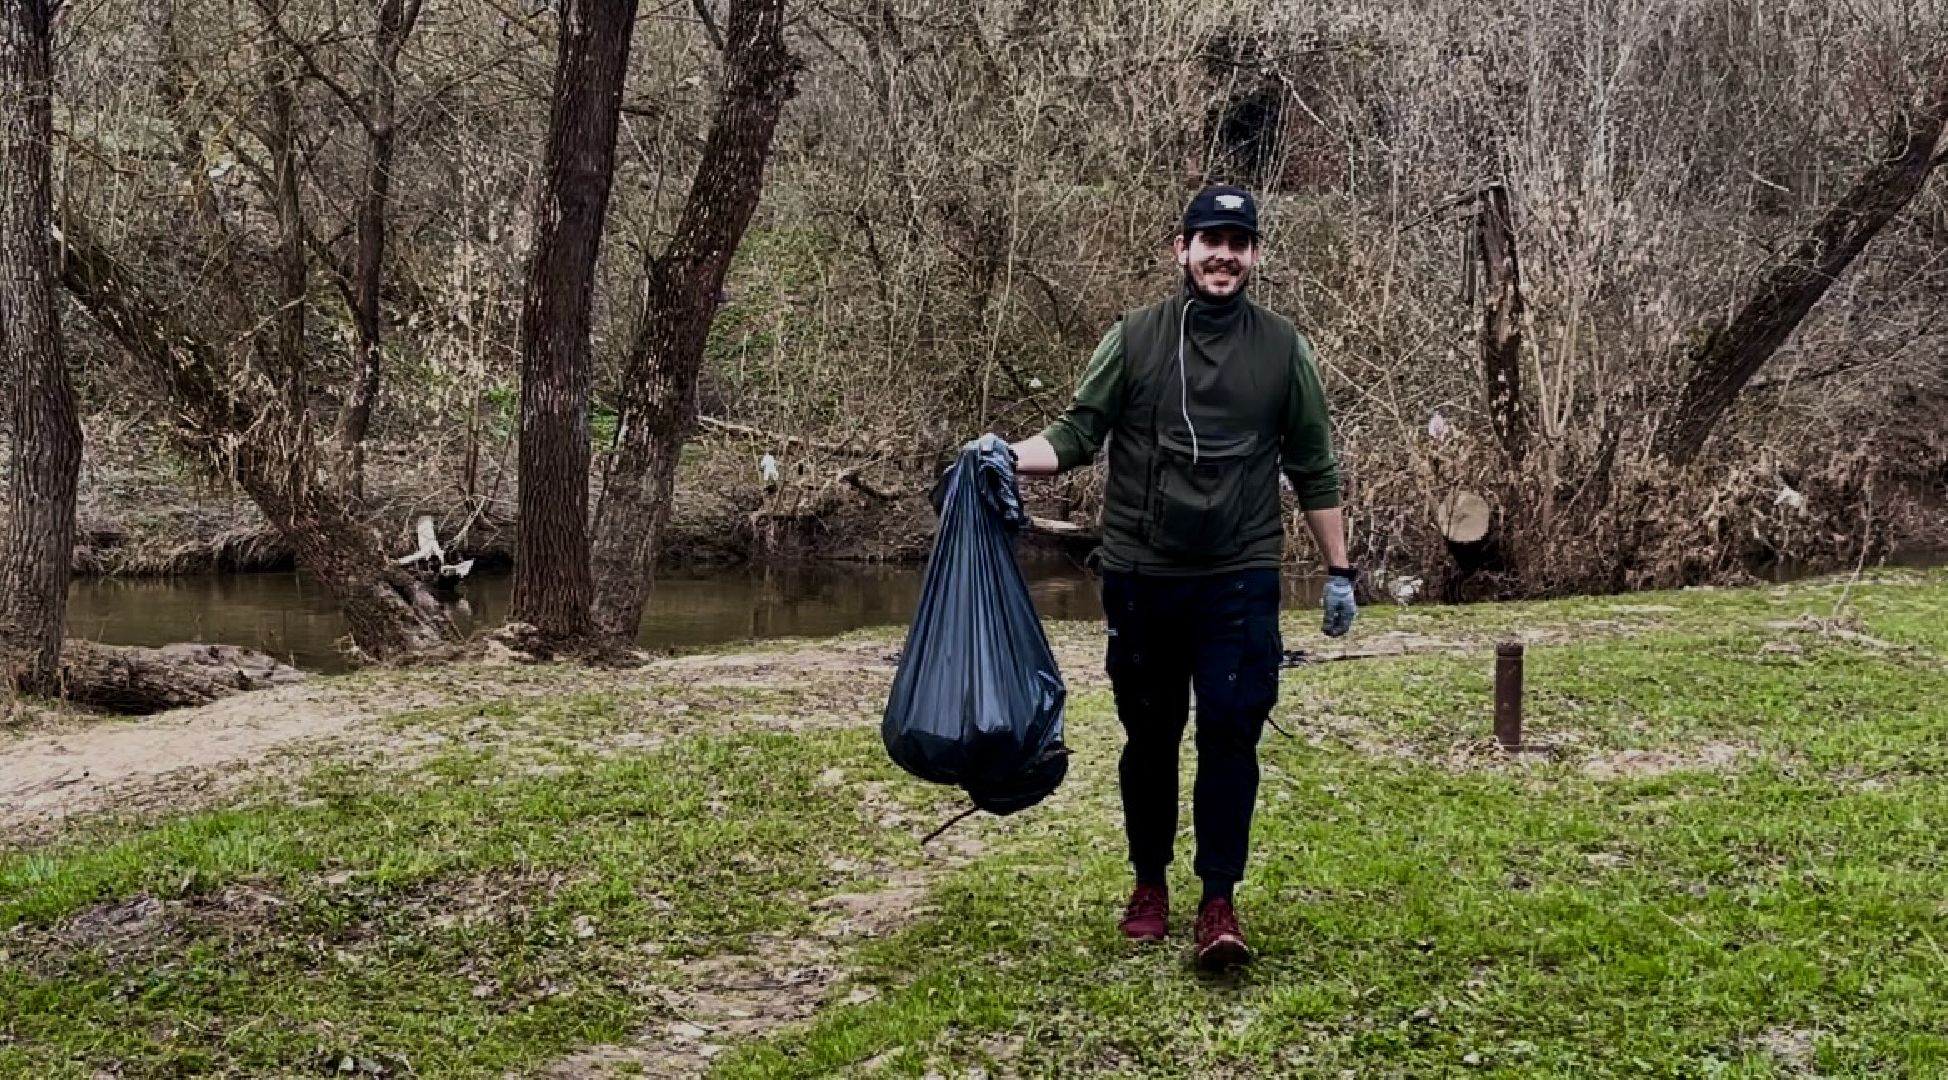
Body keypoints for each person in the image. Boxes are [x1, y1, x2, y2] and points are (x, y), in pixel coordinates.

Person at [1006, 183, 1356, 970]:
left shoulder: (1282, 349)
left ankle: (1219, 901)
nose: (1223, 253)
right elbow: (1076, 431)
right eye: (1209, 239)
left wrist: (1340, 571)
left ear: (1255, 254)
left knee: (1231, 732)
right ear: (1182, 249)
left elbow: (1314, 466)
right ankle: (1148, 885)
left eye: (1237, 240)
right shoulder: (1133, 339)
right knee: (1151, 736)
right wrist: (1006, 455)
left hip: (1239, 577)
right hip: (1142, 575)